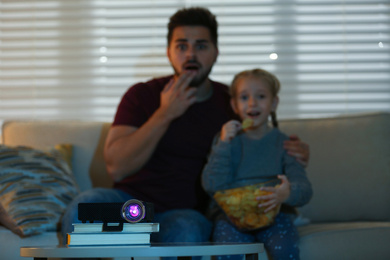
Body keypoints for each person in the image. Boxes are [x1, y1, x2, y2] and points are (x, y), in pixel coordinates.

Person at [61, 7, 310, 246]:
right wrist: (165, 114)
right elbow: (117, 168)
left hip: (187, 214)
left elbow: (261, 144)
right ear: (169, 52)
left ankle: (131, 245)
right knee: (83, 211)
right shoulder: (141, 95)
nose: (191, 55)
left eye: (201, 46)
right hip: (134, 209)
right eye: (182, 46)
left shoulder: (232, 102)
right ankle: (128, 244)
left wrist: (292, 153)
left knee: (186, 231)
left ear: (216, 52)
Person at [201, 68, 313, 260]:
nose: (252, 103)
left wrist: (287, 193)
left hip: (274, 216)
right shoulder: (225, 142)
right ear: (234, 105)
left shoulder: (285, 145)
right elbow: (211, 185)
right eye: (244, 98)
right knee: (229, 250)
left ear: (274, 103)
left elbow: (305, 190)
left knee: (284, 248)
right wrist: (223, 144)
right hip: (231, 218)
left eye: (261, 96)